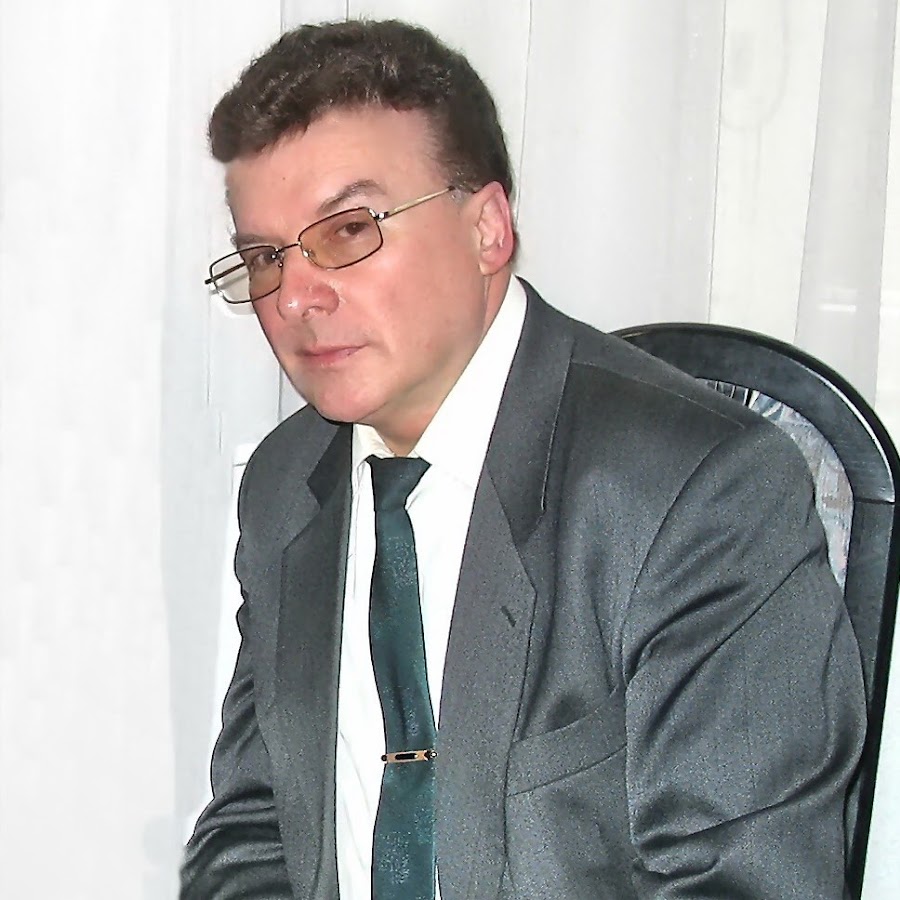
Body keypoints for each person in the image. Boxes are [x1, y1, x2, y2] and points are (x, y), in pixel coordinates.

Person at [181, 18, 866, 900]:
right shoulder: (286, 484)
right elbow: (253, 829)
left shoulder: (699, 493)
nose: (296, 298)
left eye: (347, 231)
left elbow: (742, 884)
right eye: (264, 257)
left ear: (487, 230)